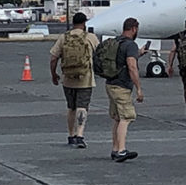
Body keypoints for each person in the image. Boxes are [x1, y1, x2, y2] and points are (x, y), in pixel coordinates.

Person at [49, 12, 100, 148]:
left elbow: (53, 58)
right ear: (84, 23)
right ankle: (80, 135)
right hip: (86, 78)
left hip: (68, 79)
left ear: (73, 23)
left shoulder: (64, 37)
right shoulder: (90, 37)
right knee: (82, 107)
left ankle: (71, 135)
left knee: (71, 107)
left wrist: (54, 74)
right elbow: (99, 56)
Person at [106, 17, 144, 163]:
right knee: (126, 117)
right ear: (134, 29)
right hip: (122, 86)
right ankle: (122, 150)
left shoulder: (116, 41)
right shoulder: (130, 45)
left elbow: (120, 60)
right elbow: (131, 66)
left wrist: (138, 53)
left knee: (117, 117)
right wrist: (139, 89)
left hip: (110, 83)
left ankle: (115, 149)